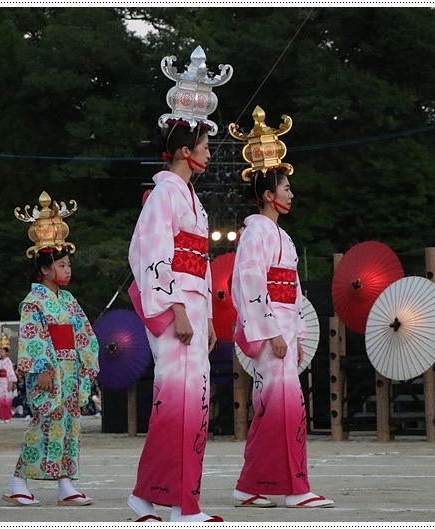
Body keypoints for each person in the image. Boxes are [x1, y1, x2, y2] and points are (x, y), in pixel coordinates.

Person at [127, 46, 232, 523]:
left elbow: (202, 265)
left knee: (187, 400)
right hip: (175, 310)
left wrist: (205, 315)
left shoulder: (192, 199)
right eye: (205, 145)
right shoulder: (164, 195)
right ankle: (176, 502)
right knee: (180, 400)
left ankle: (149, 496)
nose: (210, 152)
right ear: (186, 152)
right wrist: (177, 310)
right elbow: (150, 255)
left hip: (191, 310)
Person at [229, 106, 334, 508]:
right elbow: (250, 283)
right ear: (269, 194)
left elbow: (292, 288)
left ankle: (251, 485)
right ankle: (292, 487)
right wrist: (273, 330)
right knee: (285, 408)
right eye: (286, 188)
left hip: (282, 329)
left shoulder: (279, 235)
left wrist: (297, 333)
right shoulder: (257, 232)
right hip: (271, 330)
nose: (291, 193)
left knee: (273, 406)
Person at [5, 191, 99, 507]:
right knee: (45, 423)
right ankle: (18, 478)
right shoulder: (33, 302)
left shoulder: (68, 300)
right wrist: (41, 367)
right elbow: (32, 336)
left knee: (69, 426)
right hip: (50, 370)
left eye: (68, 264)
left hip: (70, 370)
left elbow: (83, 334)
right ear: (45, 270)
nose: (67, 269)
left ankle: (64, 483)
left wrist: (87, 364)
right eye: (62, 264)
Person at [0, 346, 17, 422]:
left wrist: (10, 384)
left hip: (6, 381)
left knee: (6, 401)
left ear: (6, 353)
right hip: (1, 382)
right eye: (0, 352)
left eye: (2, 352)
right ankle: (2, 416)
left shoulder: (8, 362)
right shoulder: (0, 362)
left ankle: (7, 416)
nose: (1, 353)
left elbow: (10, 373)